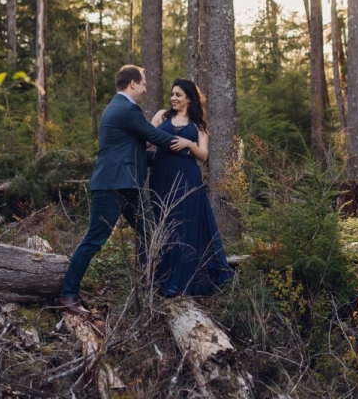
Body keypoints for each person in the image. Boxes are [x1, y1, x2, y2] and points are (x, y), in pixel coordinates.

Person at [57, 65, 193, 316]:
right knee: (94, 240)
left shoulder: (119, 109)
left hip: (127, 185)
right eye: (143, 82)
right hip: (112, 186)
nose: (146, 87)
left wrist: (169, 161)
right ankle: (67, 294)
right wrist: (187, 146)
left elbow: (137, 151)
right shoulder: (127, 108)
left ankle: (148, 287)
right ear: (132, 84)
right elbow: (157, 137)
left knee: (150, 232)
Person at [148, 78, 234, 297]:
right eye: (172, 94)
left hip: (187, 178)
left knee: (185, 224)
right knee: (164, 223)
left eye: (178, 95)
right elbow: (146, 140)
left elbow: (204, 156)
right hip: (161, 176)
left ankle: (187, 280)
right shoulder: (162, 116)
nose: (173, 98)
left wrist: (189, 144)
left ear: (188, 98)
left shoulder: (199, 126)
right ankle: (161, 278)